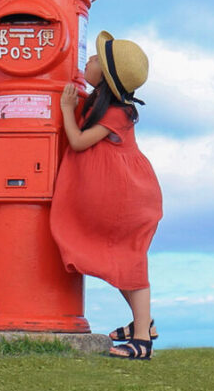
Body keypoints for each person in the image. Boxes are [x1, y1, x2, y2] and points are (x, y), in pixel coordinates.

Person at [50, 31, 163, 360]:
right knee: (121, 261)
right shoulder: (100, 103)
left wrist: (67, 108)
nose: (89, 59)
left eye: (97, 59)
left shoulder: (117, 112)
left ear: (109, 77)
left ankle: (142, 341)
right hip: (119, 195)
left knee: (131, 262)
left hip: (129, 199)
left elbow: (78, 141)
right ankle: (144, 324)